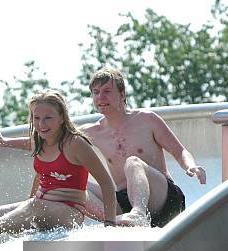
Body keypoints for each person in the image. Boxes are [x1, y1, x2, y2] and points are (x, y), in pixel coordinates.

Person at [49, 67, 206, 227]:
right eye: (96, 92)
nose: (100, 97)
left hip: (164, 198)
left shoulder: (146, 119)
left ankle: (138, 213)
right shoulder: (90, 132)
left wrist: (191, 166)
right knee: (74, 183)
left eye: (107, 91)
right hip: (124, 201)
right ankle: (112, 220)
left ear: (122, 94)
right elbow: (49, 140)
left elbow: (179, 151)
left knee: (132, 163)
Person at [0, 89, 118, 239]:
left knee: (34, 206)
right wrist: (2, 141)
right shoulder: (39, 142)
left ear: (62, 117)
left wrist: (109, 224)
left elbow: (106, 182)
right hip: (40, 206)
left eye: (48, 118)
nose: (41, 124)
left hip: (69, 213)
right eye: (36, 118)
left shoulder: (75, 143)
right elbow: (21, 143)